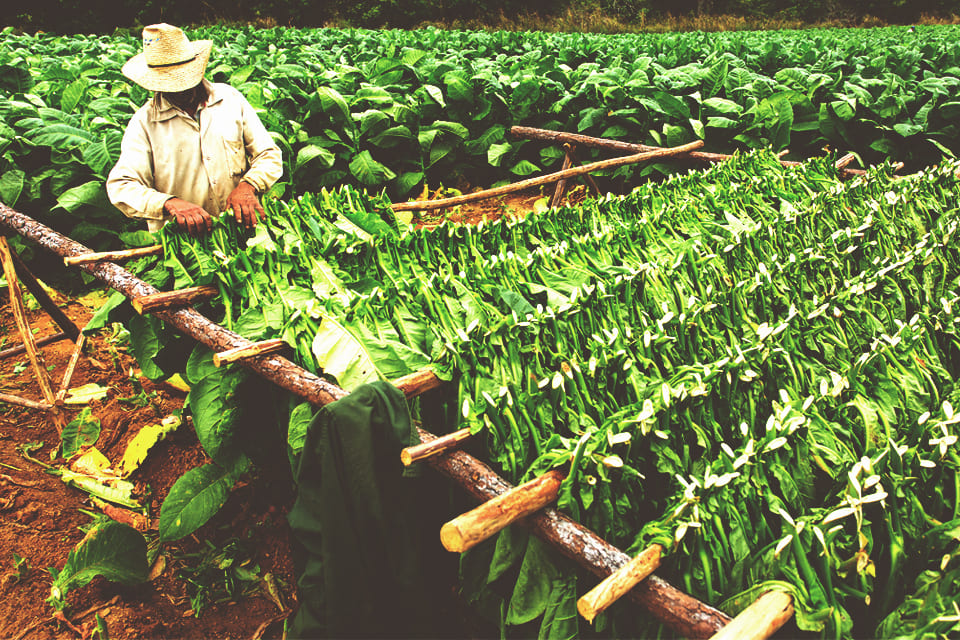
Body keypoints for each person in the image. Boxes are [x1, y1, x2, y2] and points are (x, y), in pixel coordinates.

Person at [107, 24, 282, 236]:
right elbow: (122, 186)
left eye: (184, 82)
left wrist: (249, 186)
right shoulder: (145, 123)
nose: (179, 91)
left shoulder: (230, 100)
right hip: (185, 246)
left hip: (245, 231)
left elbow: (268, 154)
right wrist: (169, 203)